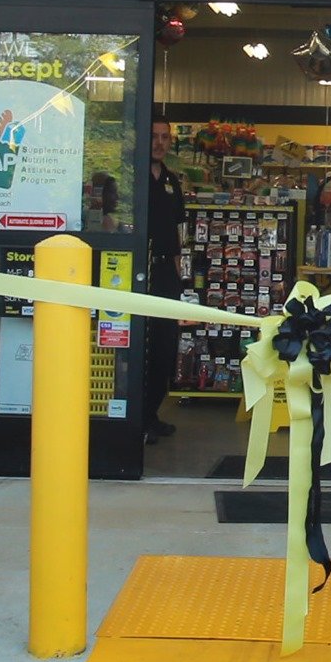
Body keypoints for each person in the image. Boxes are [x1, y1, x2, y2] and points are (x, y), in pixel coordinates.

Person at [140, 120, 187, 444]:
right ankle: (134, 419)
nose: (159, 143)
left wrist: (180, 278)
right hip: (136, 271)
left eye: (164, 138)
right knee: (137, 346)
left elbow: (178, 234)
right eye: (154, 136)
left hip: (166, 275)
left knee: (163, 346)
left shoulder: (172, 181)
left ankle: (151, 415)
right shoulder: (132, 179)